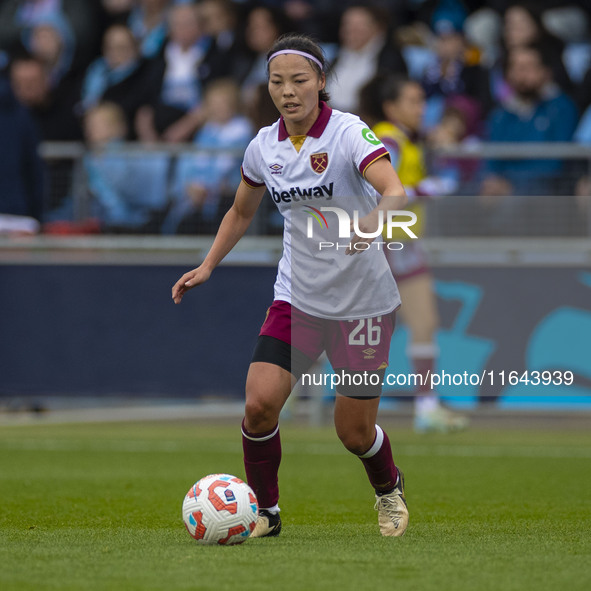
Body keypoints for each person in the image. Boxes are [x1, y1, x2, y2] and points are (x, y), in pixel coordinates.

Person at [172, 33, 410, 538]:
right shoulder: (263, 146)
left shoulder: (348, 133)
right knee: (258, 406)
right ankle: (266, 513)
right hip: (297, 299)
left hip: (362, 303)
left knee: (353, 432)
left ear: (321, 83)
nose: (288, 91)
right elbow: (240, 211)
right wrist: (208, 264)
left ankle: (389, 489)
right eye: (277, 81)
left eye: (299, 80)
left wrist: (372, 224)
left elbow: (394, 190)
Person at [370, 75, 468, 433]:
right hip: (380, 246)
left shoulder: (408, 141)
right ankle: (287, 392)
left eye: (422, 101)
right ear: (391, 107)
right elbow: (378, 190)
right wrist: (425, 189)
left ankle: (426, 408)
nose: (420, 108)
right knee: (338, 326)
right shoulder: (386, 139)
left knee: (425, 323)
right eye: (412, 101)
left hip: (404, 244)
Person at [328, 3, 407, 114]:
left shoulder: (391, 60)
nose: (350, 31)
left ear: (378, 28)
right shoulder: (337, 57)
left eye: (359, 25)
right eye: (347, 25)